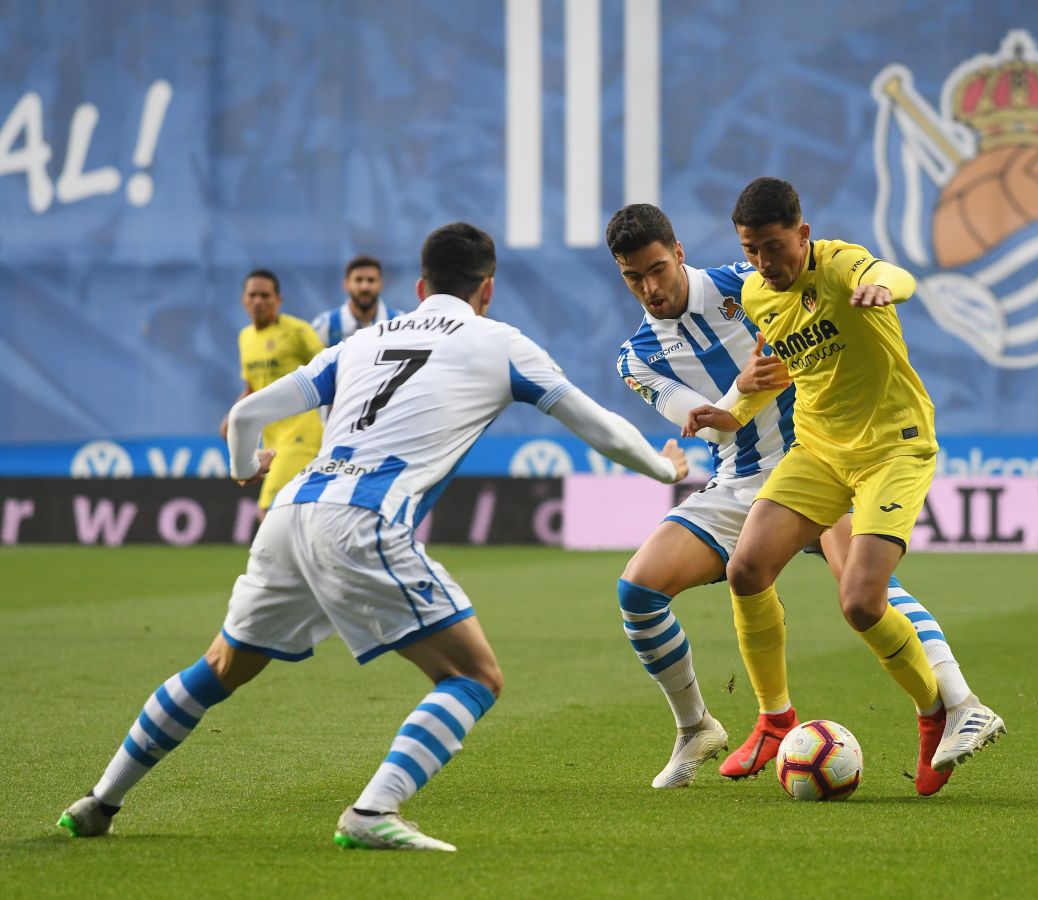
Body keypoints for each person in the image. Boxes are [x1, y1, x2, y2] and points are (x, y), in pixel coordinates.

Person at [59, 222, 688, 852]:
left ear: (419, 286)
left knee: (220, 666)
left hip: (294, 510)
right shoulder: (499, 342)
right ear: (487, 289)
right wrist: (666, 470)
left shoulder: (360, 343)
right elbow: (597, 425)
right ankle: (372, 811)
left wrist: (243, 466)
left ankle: (99, 800)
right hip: (366, 518)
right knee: (475, 676)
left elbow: (249, 413)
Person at [609, 203, 989, 795]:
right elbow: (709, 425)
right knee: (638, 591)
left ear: (679, 252)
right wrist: (742, 386)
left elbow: (838, 299)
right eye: (634, 277)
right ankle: (699, 727)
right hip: (737, 480)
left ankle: (953, 702)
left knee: (865, 591)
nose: (651, 288)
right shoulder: (636, 358)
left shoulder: (751, 281)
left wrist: (876, 289)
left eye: (658, 268)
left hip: (818, 456)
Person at [222, 269, 325, 519]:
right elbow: (252, 387)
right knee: (295, 514)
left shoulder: (297, 332)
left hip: (302, 433)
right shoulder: (246, 337)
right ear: (243, 300)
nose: (258, 301)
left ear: (278, 300)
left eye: (265, 295)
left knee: (269, 510)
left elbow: (330, 370)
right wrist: (231, 418)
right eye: (253, 295)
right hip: (271, 437)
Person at [311, 255, 405, 347]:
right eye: (358, 280)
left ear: (381, 284)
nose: (364, 287)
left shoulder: (401, 323)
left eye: (371, 280)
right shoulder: (325, 325)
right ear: (346, 284)